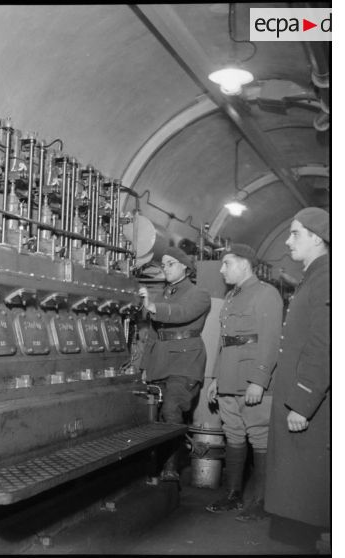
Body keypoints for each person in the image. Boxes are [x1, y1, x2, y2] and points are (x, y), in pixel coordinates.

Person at [265, 208, 330, 544]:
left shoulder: (327, 276)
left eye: (295, 233)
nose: (288, 241)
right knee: (298, 496)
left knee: (304, 498)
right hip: (296, 399)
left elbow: (326, 345)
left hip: (306, 405)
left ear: (317, 237)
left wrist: (303, 403)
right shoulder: (315, 276)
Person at [205, 244, 283, 521]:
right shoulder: (231, 296)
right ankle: (233, 495)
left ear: (244, 263)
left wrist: (259, 381)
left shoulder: (266, 294)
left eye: (227, 263)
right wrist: (215, 377)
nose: (222, 269)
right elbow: (224, 342)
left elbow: (271, 340)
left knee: (259, 437)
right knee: (234, 435)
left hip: (251, 380)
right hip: (228, 378)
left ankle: (262, 502)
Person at [139, 246, 211, 481]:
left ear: (185, 267)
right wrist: (143, 366)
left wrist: (152, 306)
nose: (165, 268)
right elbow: (152, 333)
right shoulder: (161, 295)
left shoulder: (199, 294)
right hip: (160, 360)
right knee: (155, 415)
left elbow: (181, 313)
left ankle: (171, 470)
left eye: (171, 264)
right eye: (163, 265)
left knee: (171, 409)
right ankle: (164, 462)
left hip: (185, 361)